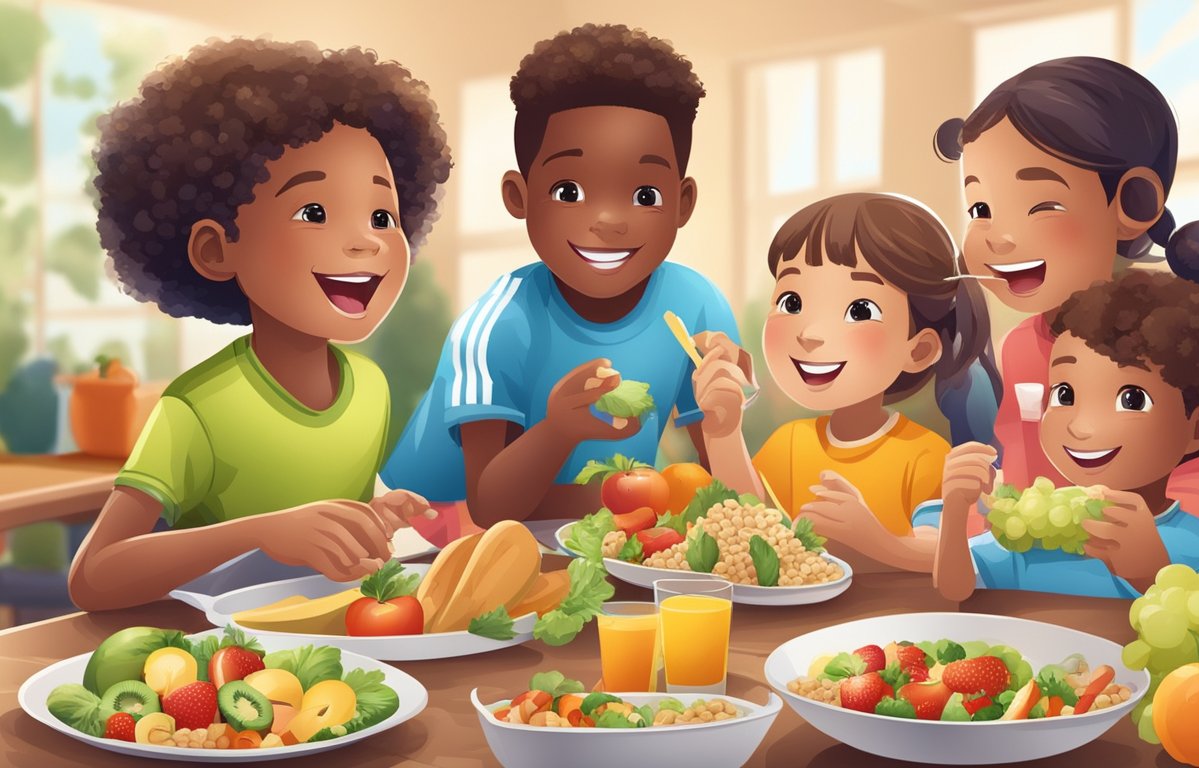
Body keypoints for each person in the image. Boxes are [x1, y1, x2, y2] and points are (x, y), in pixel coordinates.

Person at [68, 38, 451, 611]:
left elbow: (311, 539)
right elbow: (93, 578)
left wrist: (367, 520)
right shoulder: (197, 409)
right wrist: (261, 531)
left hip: (336, 655)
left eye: (381, 215)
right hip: (220, 664)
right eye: (314, 212)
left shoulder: (371, 386)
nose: (366, 240)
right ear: (217, 251)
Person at [382, 24, 746, 539]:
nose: (608, 220)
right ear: (519, 196)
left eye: (645, 195)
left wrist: (724, 423)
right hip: (432, 523)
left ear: (682, 202)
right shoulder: (498, 325)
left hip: (605, 520)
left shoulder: (696, 304)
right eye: (569, 190)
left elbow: (718, 480)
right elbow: (488, 505)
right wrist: (558, 432)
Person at [933, 56, 1199, 567]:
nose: (999, 237)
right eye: (980, 209)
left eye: (1041, 204)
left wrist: (1147, 558)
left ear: (1134, 203)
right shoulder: (1024, 348)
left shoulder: (1189, 342)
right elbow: (1027, 506)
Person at [934, 222, 1199, 600]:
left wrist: (1154, 573)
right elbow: (957, 587)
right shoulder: (1040, 532)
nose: (1081, 428)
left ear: (1198, 427)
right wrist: (954, 515)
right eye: (1065, 394)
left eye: (1132, 400)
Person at [693, 193, 1000, 572]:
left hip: (888, 624)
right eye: (791, 302)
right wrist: (723, 434)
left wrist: (876, 541)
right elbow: (750, 525)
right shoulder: (790, 443)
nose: (810, 333)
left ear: (918, 350)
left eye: (859, 310)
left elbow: (947, 557)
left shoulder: (924, 456)